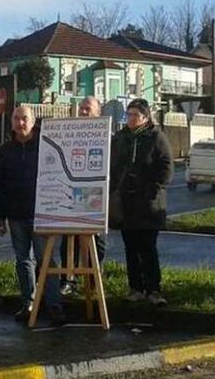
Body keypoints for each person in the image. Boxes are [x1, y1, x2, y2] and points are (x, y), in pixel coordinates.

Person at [0, 105, 66, 326]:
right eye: (16, 118)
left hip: (43, 213)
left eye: (24, 118)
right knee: (23, 260)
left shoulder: (46, 146)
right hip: (16, 215)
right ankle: (28, 303)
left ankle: (54, 304)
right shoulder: (6, 149)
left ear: (33, 121)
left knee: (47, 260)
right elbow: (2, 184)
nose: (20, 123)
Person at [110, 98, 173, 307]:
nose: (131, 119)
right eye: (128, 114)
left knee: (147, 247)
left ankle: (153, 289)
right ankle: (135, 288)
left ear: (145, 118)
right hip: (126, 203)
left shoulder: (156, 137)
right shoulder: (121, 138)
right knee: (130, 247)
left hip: (148, 205)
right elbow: (113, 164)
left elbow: (166, 167)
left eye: (135, 115)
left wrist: (153, 190)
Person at [59, 96, 108, 296]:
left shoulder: (105, 135)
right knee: (69, 240)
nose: (83, 112)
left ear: (98, 112)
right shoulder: (70, 132)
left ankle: (93, 281)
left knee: (96, 243)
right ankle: (68, 280)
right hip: (70, 192)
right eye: (81, 108)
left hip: (96, 193)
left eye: (88, 108)